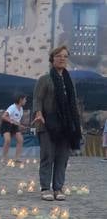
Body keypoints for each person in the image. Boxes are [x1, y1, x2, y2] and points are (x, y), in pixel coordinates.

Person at [32, 45, 82, 201]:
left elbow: (73, 103)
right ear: (52, 59)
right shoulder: (45, 79)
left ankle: (58, 188)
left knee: (62, 157)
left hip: (65, 124)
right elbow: (37, 99)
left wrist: (76, 123)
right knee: (48, 156)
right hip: (47, 123)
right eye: (59, 56)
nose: (62, 58)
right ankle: (45, 188)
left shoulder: (70, 81)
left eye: (65, 56)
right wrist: (39, 113)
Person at [1, 94, 27, 164]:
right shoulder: (12, 107)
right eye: (25, 99)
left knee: (20, 140)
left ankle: (17, 158)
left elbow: (17, 121)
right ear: (20, 100)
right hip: (6, 124)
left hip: (14, 126)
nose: (26, 101)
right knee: (8, 140)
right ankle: (4, 158)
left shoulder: (21, 109)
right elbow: (3, 116)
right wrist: (12, 121)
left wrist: (21, 126)